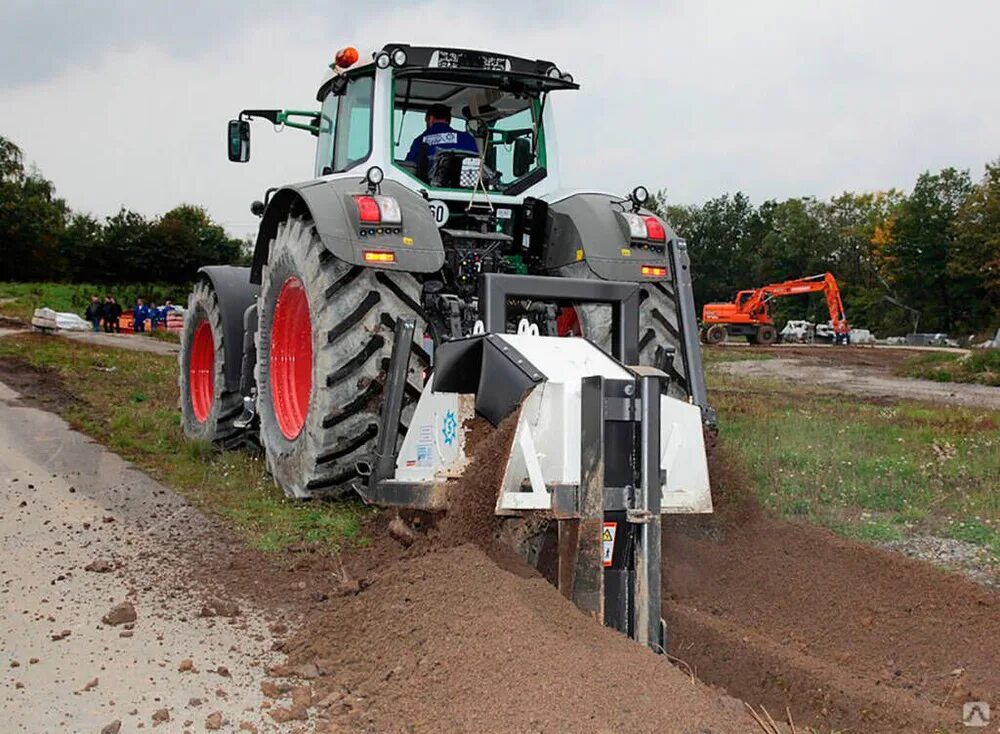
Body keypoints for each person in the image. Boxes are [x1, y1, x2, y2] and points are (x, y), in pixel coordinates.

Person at [404, 103, 479, 167]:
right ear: (449, 120)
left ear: (430, 118)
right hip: (463, 183)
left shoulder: (420, 141)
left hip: (427, 183)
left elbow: (409, 167)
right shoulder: (467, 138)